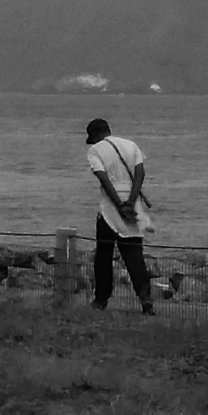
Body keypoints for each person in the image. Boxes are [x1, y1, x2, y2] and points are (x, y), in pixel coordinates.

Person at [84, 117, 155, 313]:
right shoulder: (131, 145)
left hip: (109, 207)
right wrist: (131, 201)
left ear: (96, 135)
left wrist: (119, 204)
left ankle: (101, 299)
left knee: (104, 256)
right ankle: (145, 299)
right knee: (134, 255)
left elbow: (104, 179)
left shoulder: (95, 150)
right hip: (134, 205)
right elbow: (140, 174)